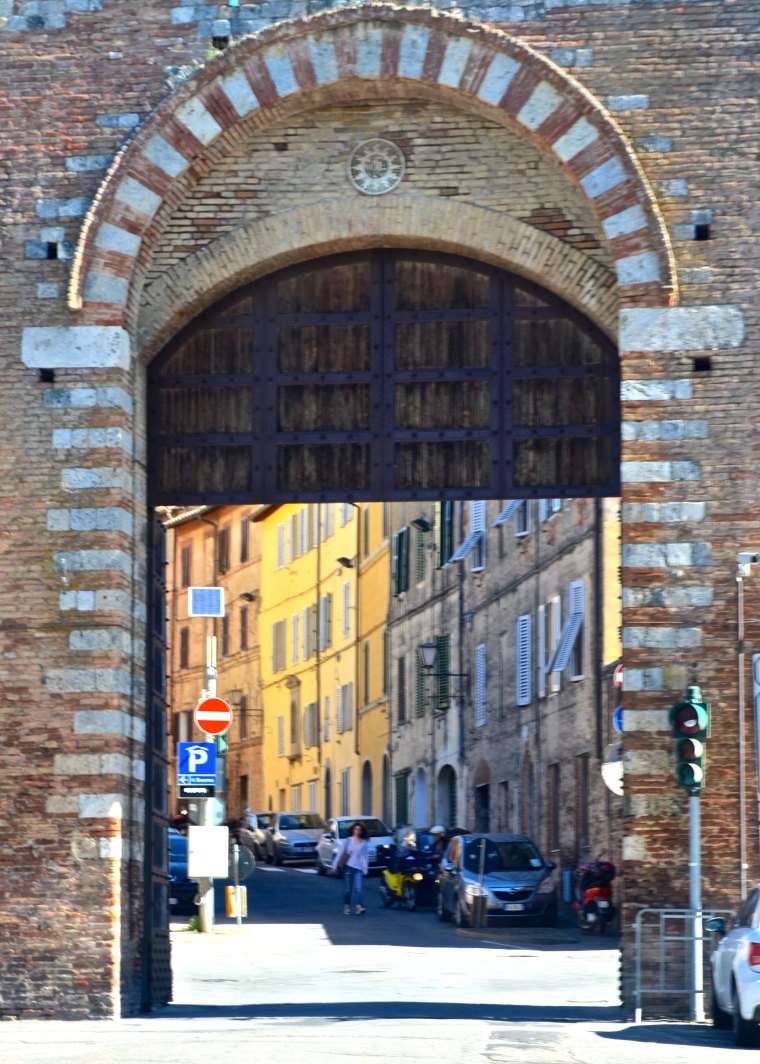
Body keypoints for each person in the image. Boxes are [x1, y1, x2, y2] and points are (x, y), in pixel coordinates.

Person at [332, 821, 369, 915]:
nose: (357, 831)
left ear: (362, 831)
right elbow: (340, 853)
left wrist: (365, 869)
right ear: (353, 830)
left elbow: (364, 856)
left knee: (358, 888)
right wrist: (334, 865)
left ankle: (359, 907)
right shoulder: (348, 840)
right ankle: (346, 906)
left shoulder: (364, 843)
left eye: (359, 829)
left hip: (358, 868)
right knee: (348, 889)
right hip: (348, 867)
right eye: (356, 829)